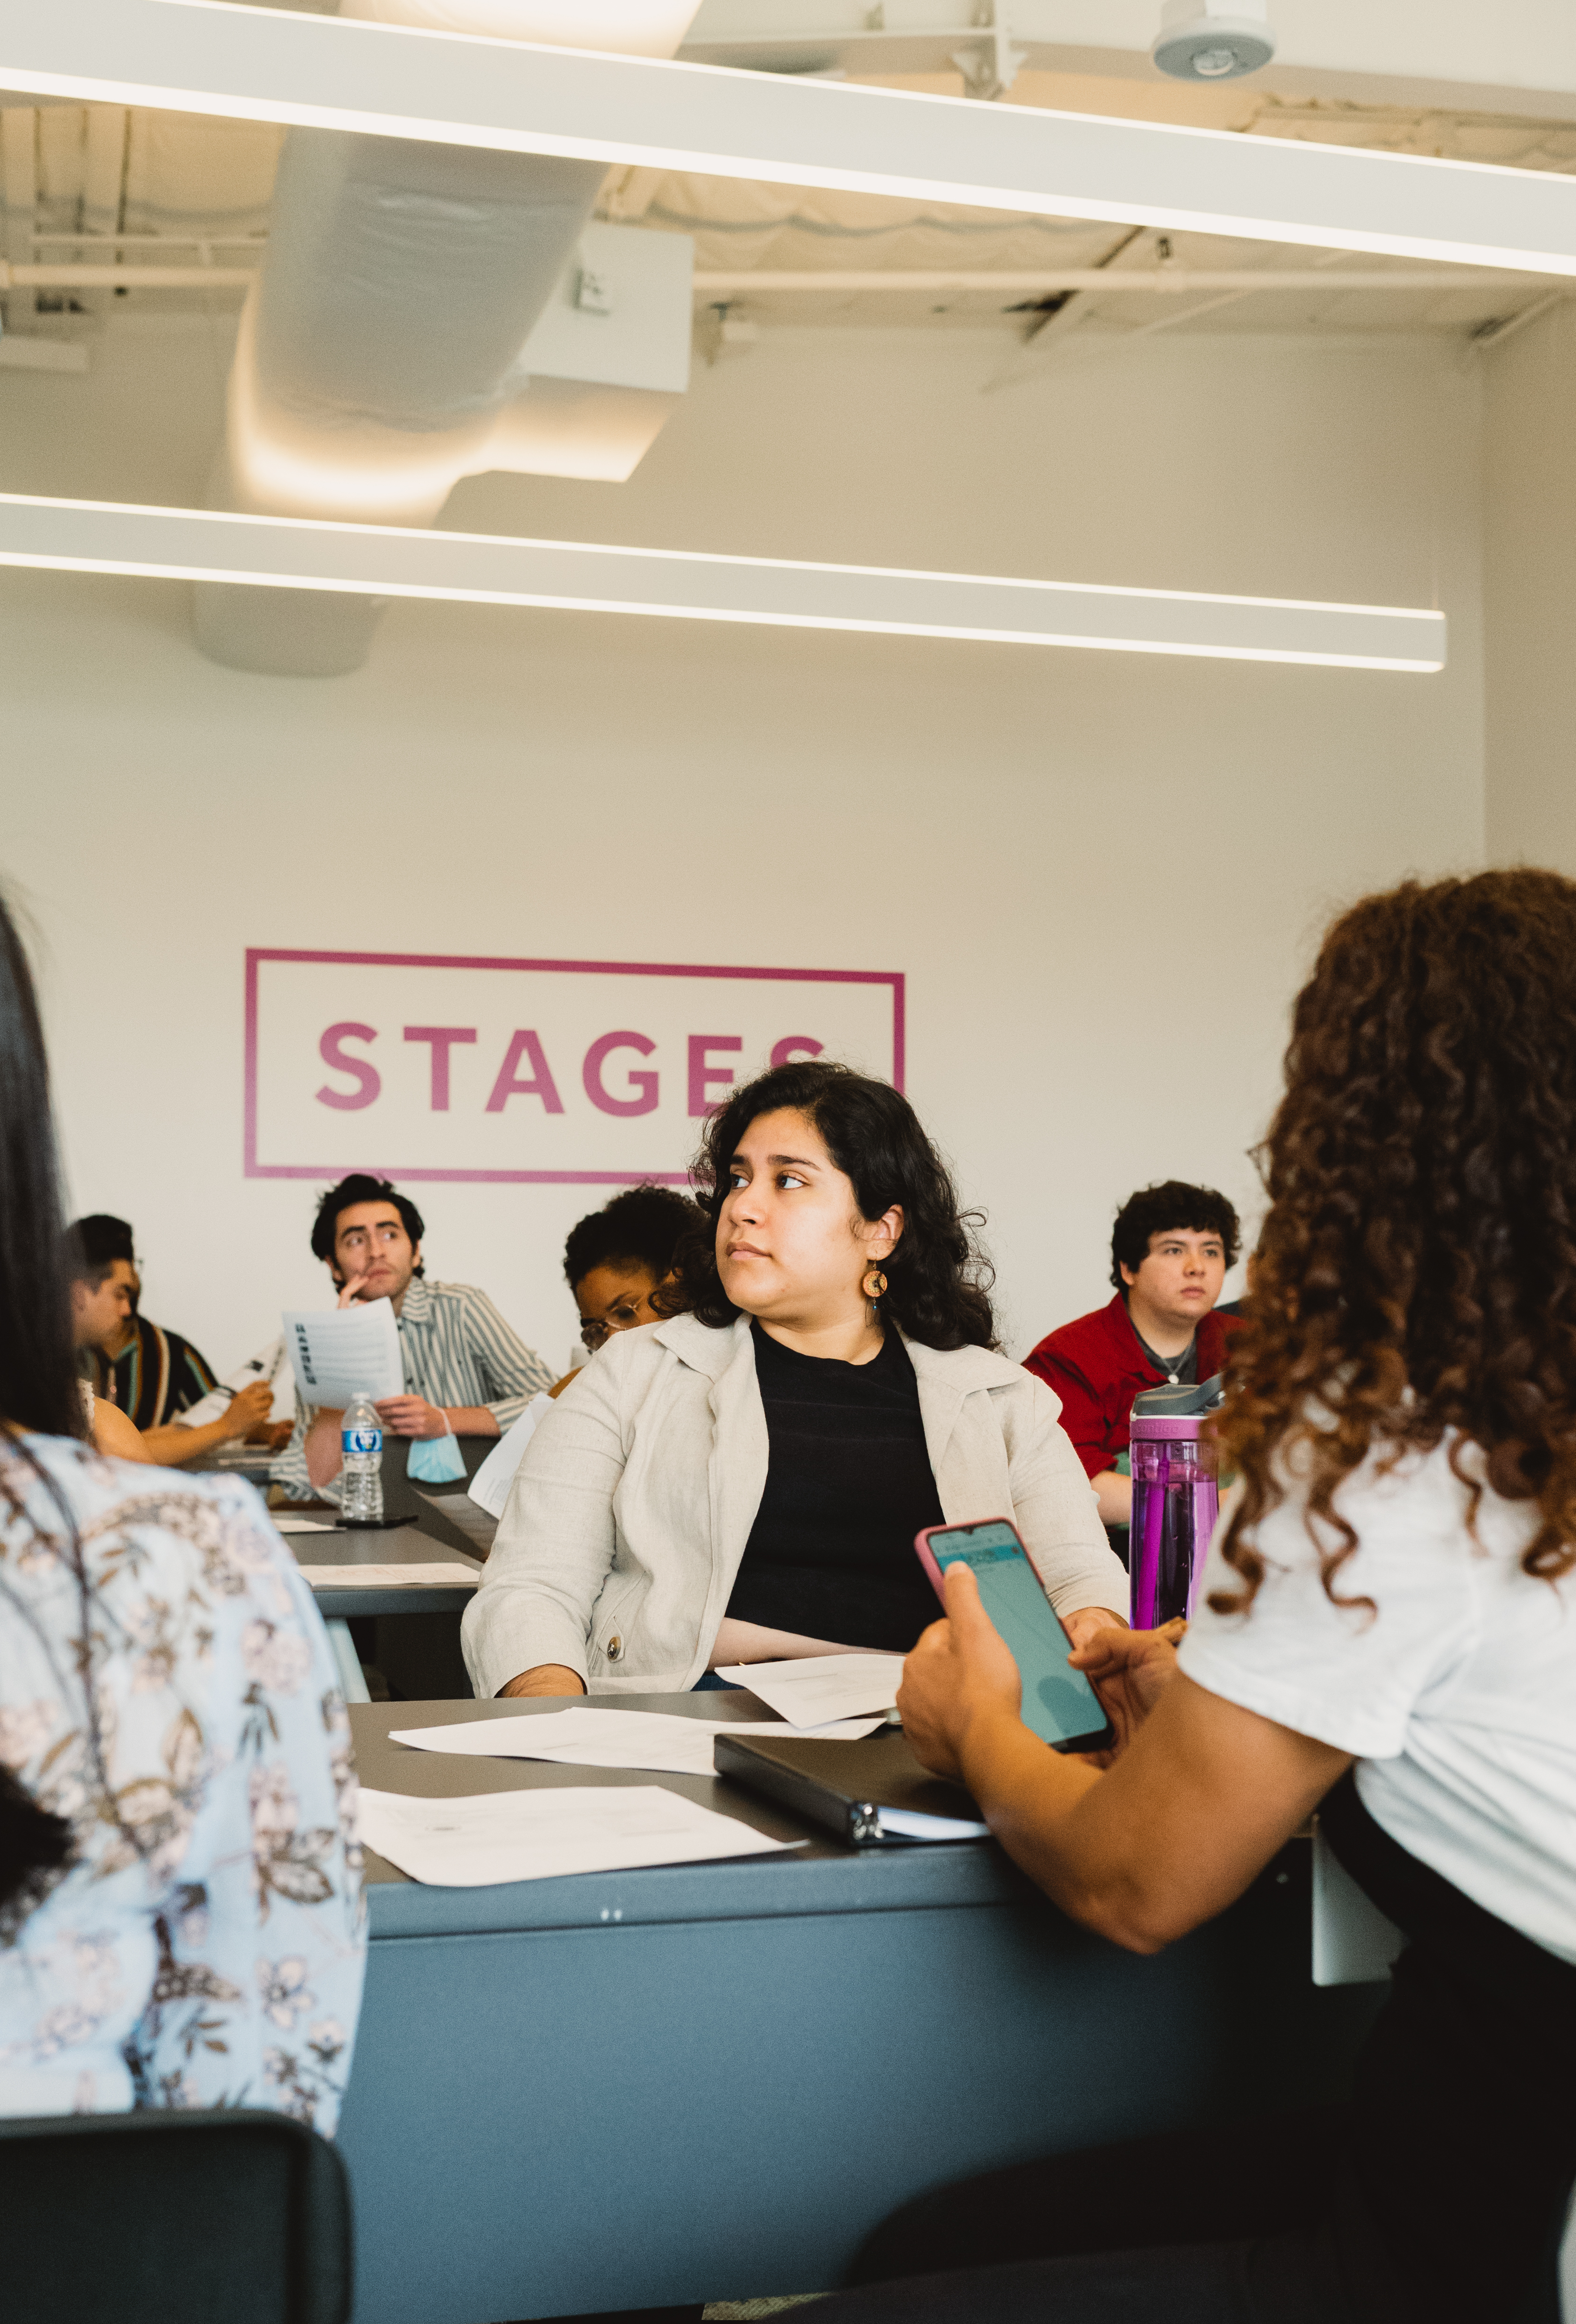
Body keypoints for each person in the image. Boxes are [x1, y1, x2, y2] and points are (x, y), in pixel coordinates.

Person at [814, 868, 1576, 2324]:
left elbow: (1133, 1883)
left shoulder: (1382, 1436)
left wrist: (979, 1717)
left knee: (890, 2279)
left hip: (1486, 2243)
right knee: (928, 2243)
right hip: (1467, 2137)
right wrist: (1246, 1711)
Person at [0, 841, 365, 2125]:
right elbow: (245, 2118)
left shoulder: (178, 1361)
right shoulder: (174, 1558)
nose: (124, 1300)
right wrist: (237, 1425)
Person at [463, 1062, 1128, 1700]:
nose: (741, 1206)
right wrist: (555, 1723)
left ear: (879, 1228)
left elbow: (1078, 1578)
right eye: (737, 1177)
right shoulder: (632, 1369)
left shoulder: (1000, 1396)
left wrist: (1094, 1630)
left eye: (787, 1181)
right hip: (687, 1710)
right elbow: (533, 1586)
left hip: (932, 1720)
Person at [270, 1172, 554, 1505]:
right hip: (377, 1521)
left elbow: (552, 1404)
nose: (376, 1251)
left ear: (416, 1251)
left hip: (475, 1513)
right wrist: (344, 1351)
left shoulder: (461, 1306)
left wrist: (445, 1420)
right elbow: (308, 1483)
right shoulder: (321, 1345)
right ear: (333, 1265)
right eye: (356, 1241)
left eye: (389, 1234)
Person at [467, 1184, 704, 1518]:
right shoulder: (576, 1390)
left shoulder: (720, 1384)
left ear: (679, 1286)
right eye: (595, 1329)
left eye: (624, 1312)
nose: (612, 1342)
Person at [1026, 1182, 1244, 1527]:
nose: (1196, 1267)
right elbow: (1065, 1485)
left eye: (1211, 1251)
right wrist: (1214, 1505)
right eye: (1174, 1250)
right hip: (1120, 1557)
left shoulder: (1250, 1343)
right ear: (1128, 1268)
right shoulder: (1069, 1358)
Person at [68, 1213, 286, 1467]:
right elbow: (121, 1455)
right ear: (80, 1293)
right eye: (119, 1294)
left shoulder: (171, 1354)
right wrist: (224, 1427)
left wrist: (256, 1429)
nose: (127, 1308)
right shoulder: (47, 1364)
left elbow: (194, 1422)